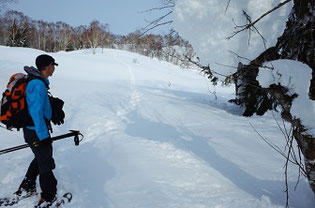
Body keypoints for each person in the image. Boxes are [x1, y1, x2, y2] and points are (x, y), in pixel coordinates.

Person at [15, 54, 60, 207]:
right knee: (46, 164)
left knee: (40, 158)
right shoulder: (38, 85)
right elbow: (35, 112)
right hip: (36, 131)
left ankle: (28, 186)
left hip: (34, 130)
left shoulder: (37, 82)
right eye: (53, 66)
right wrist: (43, 136)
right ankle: (48, 197)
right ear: (48, 66)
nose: (54, 69)